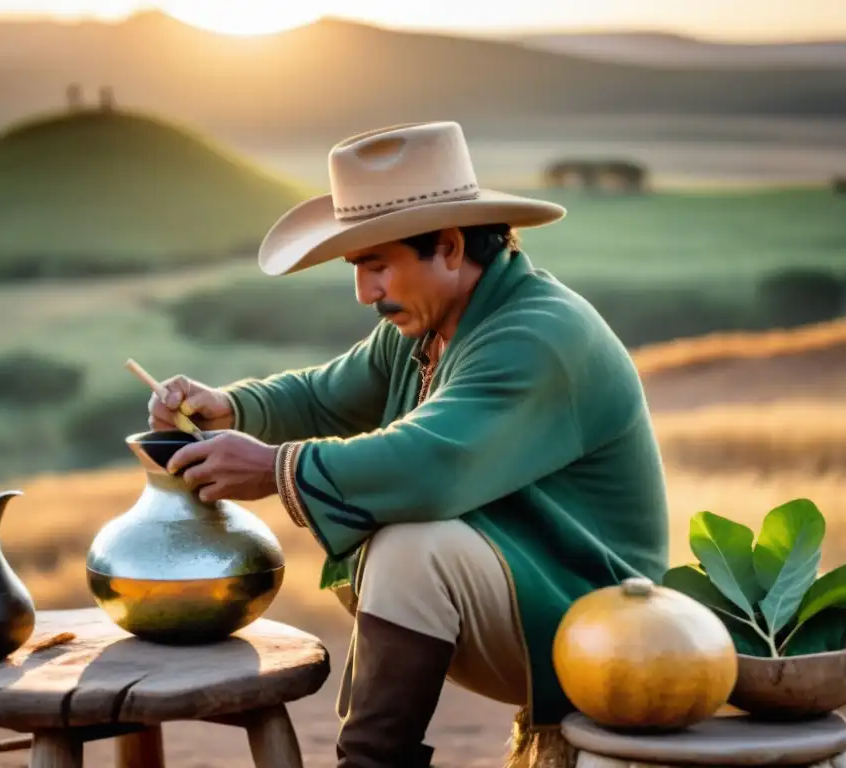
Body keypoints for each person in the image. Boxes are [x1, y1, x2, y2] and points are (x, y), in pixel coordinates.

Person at [149, 121, 670, 768]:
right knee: (412, 546)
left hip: (604, 620)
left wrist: (273, 469)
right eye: (358, 269)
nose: (366, 292)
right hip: (527, 601)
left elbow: (436, 465)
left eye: (377, 266)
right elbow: (325, 395)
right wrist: (233, 405)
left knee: (414, 547)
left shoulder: (536, 336)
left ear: (449, 248)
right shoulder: (426, 325)